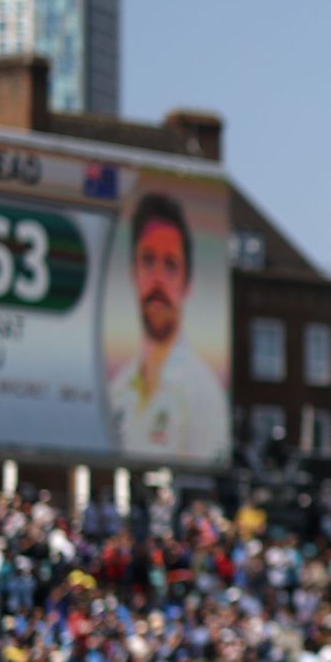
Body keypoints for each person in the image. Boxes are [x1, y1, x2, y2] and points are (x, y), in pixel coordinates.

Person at [106, 193, 228, 461]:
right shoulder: (116, 391)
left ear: (187, 283)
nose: (158, 279)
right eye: (148, 260)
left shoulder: (203, 395)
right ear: (133, 272)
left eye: (170, 265)